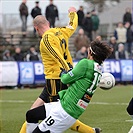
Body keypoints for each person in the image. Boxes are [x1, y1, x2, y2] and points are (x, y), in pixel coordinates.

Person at [19, 7, 102, 133]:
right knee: (32, 112)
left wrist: (68, 72)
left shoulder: (46, 39)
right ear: (48, 23)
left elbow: (57, 56)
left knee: (57, 115)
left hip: (56, 80)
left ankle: (90, 131)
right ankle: (91, 131)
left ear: (36, 28)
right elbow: (72, 25)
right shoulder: (60, 31)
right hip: (53, 80)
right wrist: (73, 13)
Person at [26, 40, 112, 133]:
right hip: (67, 106)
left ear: (90, 52)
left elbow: (65, 79)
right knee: (31, 115)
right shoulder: (99, 69)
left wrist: (63, 73)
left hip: (65, 111)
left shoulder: (86, 63)